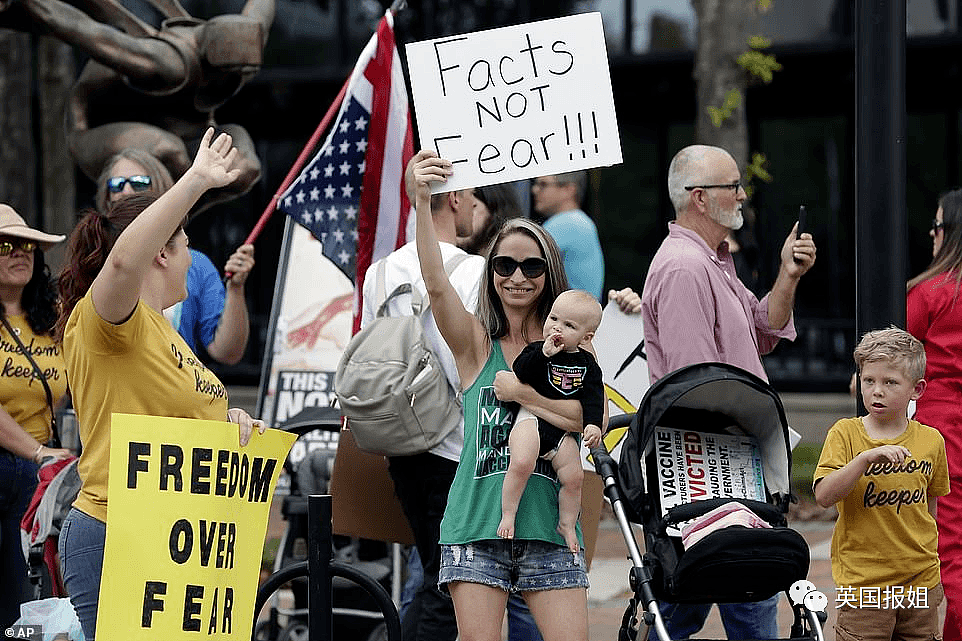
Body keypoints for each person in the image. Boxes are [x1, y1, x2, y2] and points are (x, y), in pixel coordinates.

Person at [408, 149, 640, 641]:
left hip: (551, 529)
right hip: (475, 526)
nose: (517, 276)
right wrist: (420, 201)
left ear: (549, 274)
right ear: (491, 271)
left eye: (532, 266)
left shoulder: (570, 347)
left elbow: (585, 418)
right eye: (505, 264)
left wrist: (520, 393)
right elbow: (435, 283)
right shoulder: (475, 346)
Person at [55, 129, 265, 641]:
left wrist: (228, 423)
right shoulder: (106, 319)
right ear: (162, 254)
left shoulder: (163, 333)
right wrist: (195, 180)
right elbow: (125, 260)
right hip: (116, 528)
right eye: (186, 245)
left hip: (179, 539)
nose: (193, 260)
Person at [640, 144, 816, 639]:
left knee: (725, 597)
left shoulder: (711, 261)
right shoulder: (683, 268)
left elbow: (763, 330)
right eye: (732, 186)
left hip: (729, 463)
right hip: (709, 467)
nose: (742, 195)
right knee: (703, 600)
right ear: (699, 198)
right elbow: (697, 383)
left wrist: (788, 273)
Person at [360, 177, 484, 641]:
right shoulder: (475, 271)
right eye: (472, 194)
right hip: (456, 446)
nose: (475, 204)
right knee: (450, 584)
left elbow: (368, 352)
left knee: (438, 574)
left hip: (399, 442)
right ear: (453, 197)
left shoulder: (380, 272)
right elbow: (474, 362)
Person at [814, 327, 949, 641]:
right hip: (864, 586)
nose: (876, 391)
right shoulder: (844, 433)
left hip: (920, 582)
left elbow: (930, 508)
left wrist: (931, 562)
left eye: (890, 382)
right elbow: (823, 495)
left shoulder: (931, 440)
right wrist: (863, 460)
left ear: (917, 389)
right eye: (869, 380)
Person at [97, 147, 254, 364]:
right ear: (106, 198)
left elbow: (227, 352)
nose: (126, 191)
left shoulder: (193, 263)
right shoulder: (91, 258)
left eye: (139, 182)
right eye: (116, 184)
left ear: (164, 193)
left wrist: (236, 289)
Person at [0, 206, 71, 628]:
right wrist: (38, 450)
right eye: (5, 245)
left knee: (24, 607)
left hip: (36, 476)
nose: (19, 253)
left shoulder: (53, 319)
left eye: (26, 244)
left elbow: (68, 391)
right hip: (30, 458)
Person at [499, 289, 604, 553]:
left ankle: (567, 524)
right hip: (531, 419)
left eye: (568, 325)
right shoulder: (538, 350)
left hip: (560, 432)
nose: (557, 328)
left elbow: (593, 397)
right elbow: (520, 372)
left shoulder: (587, 364)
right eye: (554, 318)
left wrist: (591, 424)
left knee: (574, 477)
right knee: (521, 462)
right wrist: (543, 354)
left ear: (586, 337)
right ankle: (509, 514)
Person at [907, 188, 962, 641]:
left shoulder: (930, 293)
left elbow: (895, 356)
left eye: (938, 225)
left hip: (943, 429)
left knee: (952, 547)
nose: (932, 234)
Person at [530, 172, 604, 301]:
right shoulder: (581, 221)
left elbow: (522, 261)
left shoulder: (567, 223)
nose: (534, 190)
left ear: (568, 190)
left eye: (543, 184)